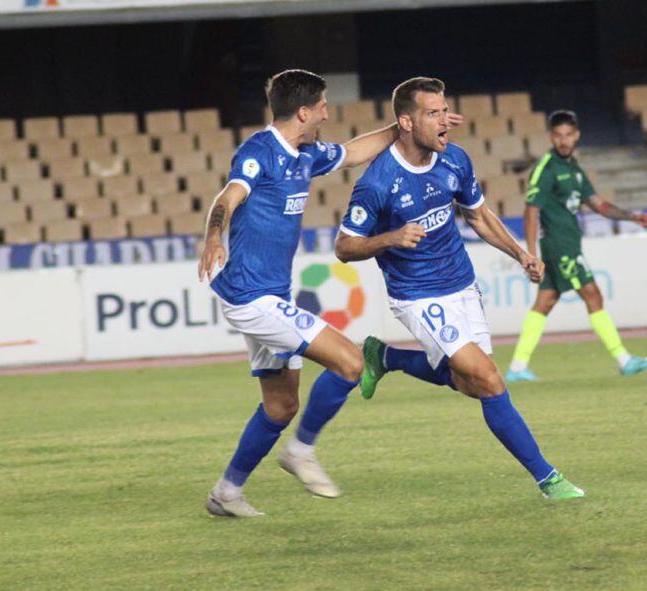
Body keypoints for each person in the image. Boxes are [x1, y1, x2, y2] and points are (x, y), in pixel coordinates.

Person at [197, 69, 462, 517]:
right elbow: (228, 197)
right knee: (350, 362)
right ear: (303, 112)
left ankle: (226, 493)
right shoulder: (260, 152)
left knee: (281, 405)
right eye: (321, 107)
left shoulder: (306, 155)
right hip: (250, 297)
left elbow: (354, 152)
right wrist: (213, 236)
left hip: (271, 296)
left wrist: (407, 126)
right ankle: (301, 451)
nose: (326, 114)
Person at [334, 76, 584, 500]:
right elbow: (344, 247)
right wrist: (390, 238)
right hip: (418, 294)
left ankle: (387, 357)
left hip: (462, 285)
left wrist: (520, 253)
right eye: (432, 113)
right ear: (407, 123)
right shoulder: (377, 183)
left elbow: (479, 215)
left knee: (470, 384)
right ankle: (548, 478)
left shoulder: (454, 160)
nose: (445, 121)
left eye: (444, 110)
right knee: (489, 380)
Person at [505, 110, 647, 382]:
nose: (563, 141)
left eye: (568, 135)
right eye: (558, 135)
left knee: (545, 301)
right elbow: (531, 211)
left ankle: (517, 367)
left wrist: (631, 216)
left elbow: (599, 204)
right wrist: (530, 255)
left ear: (576, 136)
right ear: (551, 137)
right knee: (593, 295)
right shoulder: (547, 168)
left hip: (565, 244)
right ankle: (624, 360)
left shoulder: (573, 168)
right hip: (560, 246)